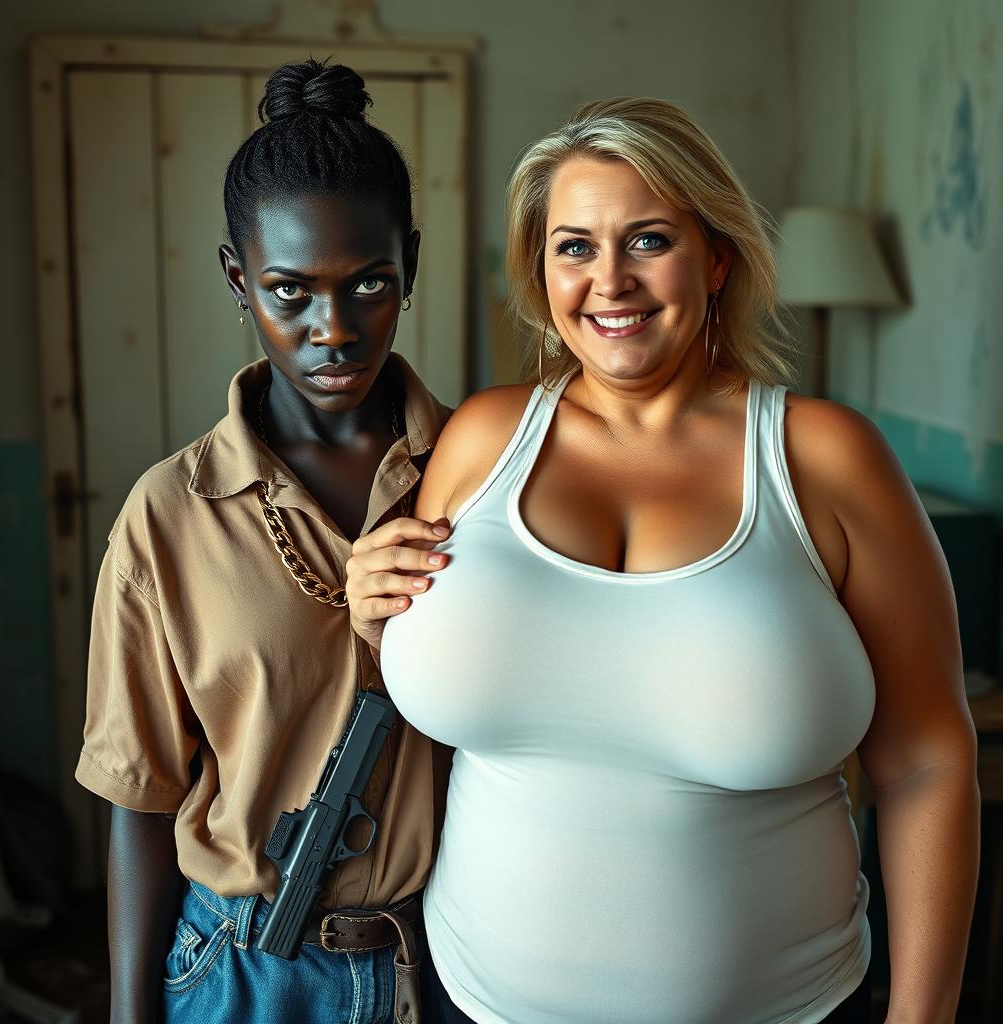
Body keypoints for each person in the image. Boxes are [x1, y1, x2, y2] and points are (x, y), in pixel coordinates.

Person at [345, 97, 981, 1024]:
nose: (610, 281)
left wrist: (924, 1017)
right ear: (542, 269)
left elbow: (928, 759)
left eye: (647, 241)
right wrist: (373, 614)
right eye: (574, 246)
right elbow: (427, 689)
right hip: (469, 1001)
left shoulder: (826, 459)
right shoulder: (482, 437)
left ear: (715, 257)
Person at [75, 58, 454, 1024]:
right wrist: (130, 1014)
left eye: (370, 282)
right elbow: (141, 796)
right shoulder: (169, 515)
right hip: (242, 972)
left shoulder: (485, 476)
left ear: (411, 262)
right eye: (290, 291)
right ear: (238, 281)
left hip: (454, 962)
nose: (334, 329)